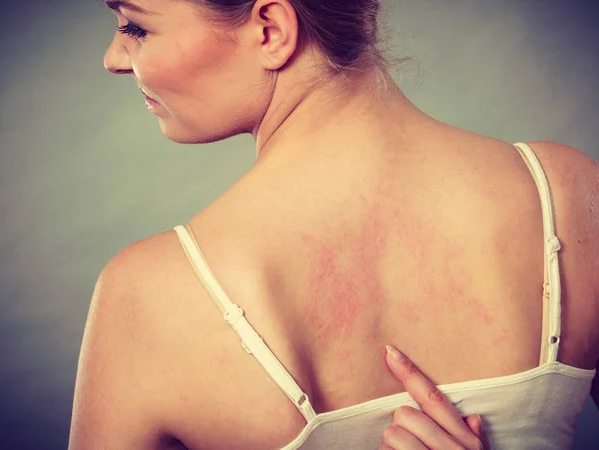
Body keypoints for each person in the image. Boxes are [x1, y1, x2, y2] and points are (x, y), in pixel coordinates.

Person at [68, 0, 599, 448]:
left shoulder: (149, 295)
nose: (114, 58)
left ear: (271, 30)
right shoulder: (568, 191)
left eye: (135, 26)